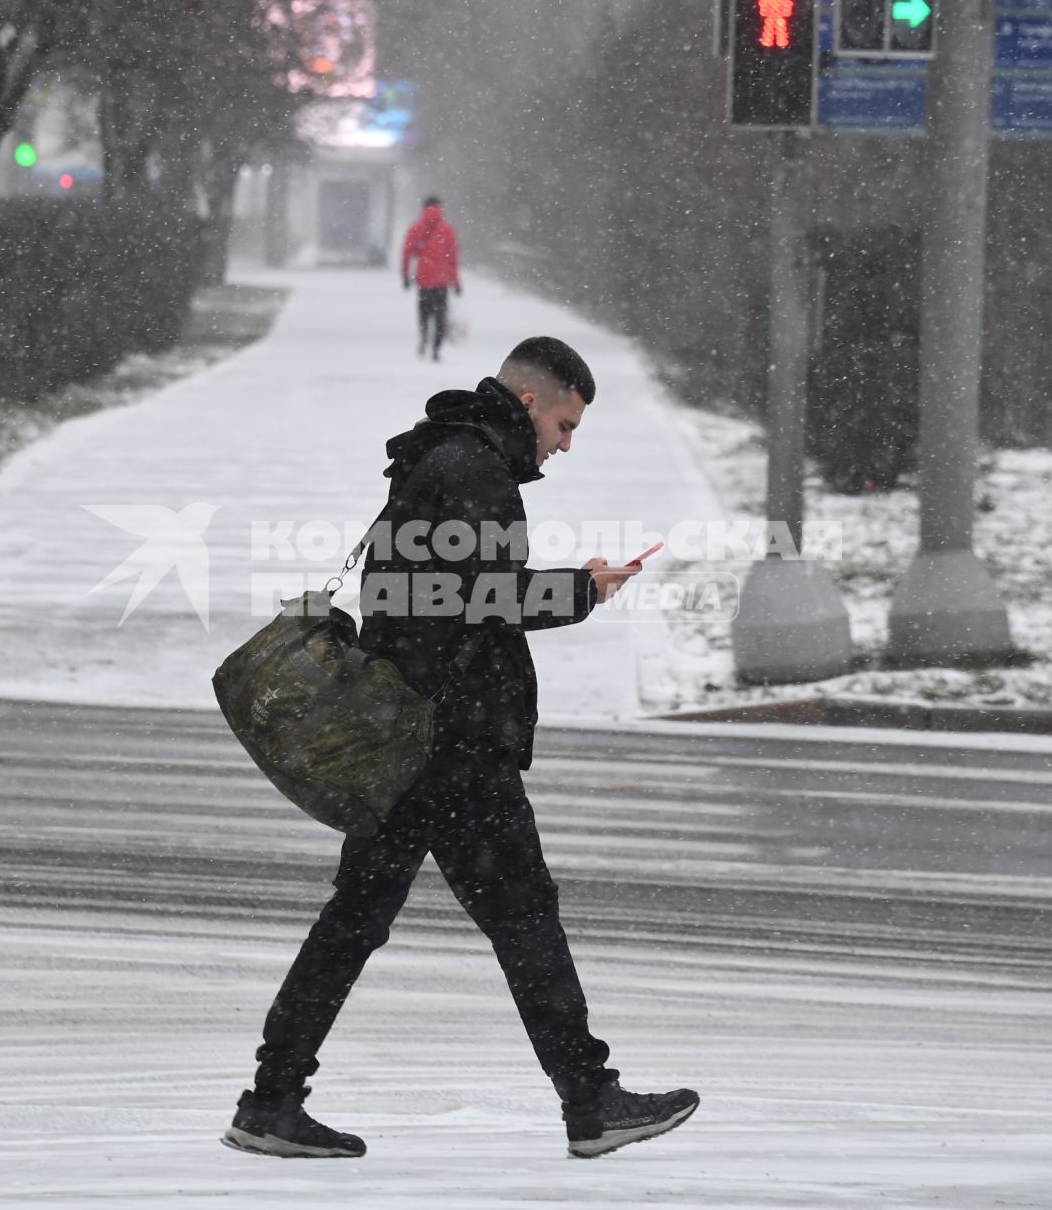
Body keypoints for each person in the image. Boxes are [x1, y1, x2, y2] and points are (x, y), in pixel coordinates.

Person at [223, 336, 700, 1160]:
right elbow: (482, 597)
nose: (565, 443)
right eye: (563, 421)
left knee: (358, 921)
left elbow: (424, 593)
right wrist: (582, 589)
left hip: (409, 734)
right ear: (527, 404)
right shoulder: (473, 469)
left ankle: (271, 1099)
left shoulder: (436, 458)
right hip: (452, 741)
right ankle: (591, 1101)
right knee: (522, 918)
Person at [400, 196, 462, 361]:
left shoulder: (416, 228)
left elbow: (407, 254)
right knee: (440, 316)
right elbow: (453, 259)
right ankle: (436, 349)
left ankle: (423, 339)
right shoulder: (447, 230)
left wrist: (406, 275)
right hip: (441, 281)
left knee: (424, 314)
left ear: (424, 207)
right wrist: (455, 282)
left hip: (424, 280)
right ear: (439, 207)